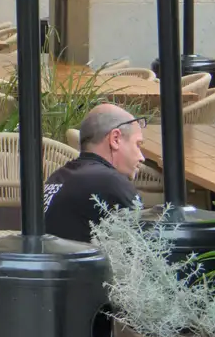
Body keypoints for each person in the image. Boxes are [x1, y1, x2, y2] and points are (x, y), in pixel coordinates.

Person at [43, 103, 146, 241]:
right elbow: (146, 247)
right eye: (137, 145)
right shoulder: (109, 182)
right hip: (73, 262)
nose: (142, 157)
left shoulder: (59, 176)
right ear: (115, 139)